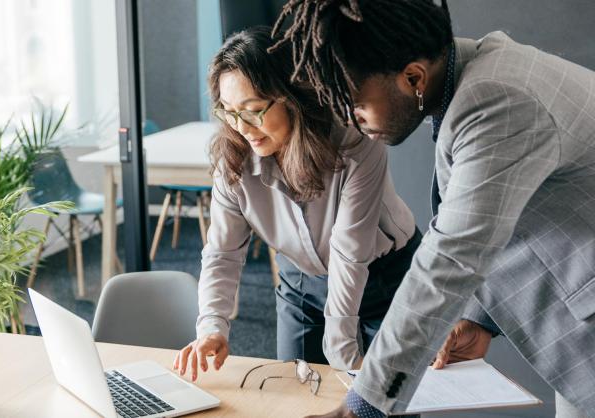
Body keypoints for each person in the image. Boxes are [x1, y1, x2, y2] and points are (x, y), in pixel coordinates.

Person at [267, 1, 595, 417]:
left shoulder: (498, 100)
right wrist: (480, 317)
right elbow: (504, 211)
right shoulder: (481, 74)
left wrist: (363, 405)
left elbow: (451, 258)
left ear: (413, 77)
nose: (353, 121)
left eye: (355, 104)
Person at [172, 27, 420, 380]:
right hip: (301, 281)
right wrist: (212, 327)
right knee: (294, 395)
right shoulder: (233, 158)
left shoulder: (354, 142)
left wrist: (344, 356)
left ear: (292, 97)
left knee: (386, 399)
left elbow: (350, 253)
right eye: (228, 111)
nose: (241, 127)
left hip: (384, 278)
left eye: (254, 110)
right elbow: (222, 253)